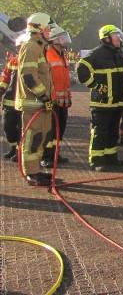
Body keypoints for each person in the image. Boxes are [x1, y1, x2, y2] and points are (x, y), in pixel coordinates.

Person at [76, 25, 123, 171]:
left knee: (113, 132)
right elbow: (81, 69)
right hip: (102, 102)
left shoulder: (119, 53)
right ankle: (97, 160)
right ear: (106, 38)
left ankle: (111, 158)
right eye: (116, 35)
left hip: (117, 102)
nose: (119, 38)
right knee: (100, 132)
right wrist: (95, 86)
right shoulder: (97, 53)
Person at [16, 13, 54, 186]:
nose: (50, 32)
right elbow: (28, 77)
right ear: (39, 29)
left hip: (41, 103)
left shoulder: (39, 47)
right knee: (33, 138)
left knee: (41, 136)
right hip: (33, 103)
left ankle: (36, 169)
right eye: (48, 29)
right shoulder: (31, 47)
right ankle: (31, 173)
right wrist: (43, 95)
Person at [42, 25, 72, 168]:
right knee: (50, 129)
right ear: (54, 40)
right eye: (62, 38)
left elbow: (64, 79)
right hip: (52, 100)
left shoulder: (62, 55)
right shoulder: (48, 55)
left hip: (62, 100)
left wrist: (68, 96)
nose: (65, 40)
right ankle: (46, 156)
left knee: (60, 128)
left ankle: (55, 154)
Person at [0, 33, 29, 161]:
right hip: (10, 101)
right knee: (8, 127)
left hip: (25, 102)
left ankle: (19, 151)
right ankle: (13, 148)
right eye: (19, 47)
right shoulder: (13, 62)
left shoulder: (32, 62)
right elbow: (4, 79)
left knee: (23, 129)